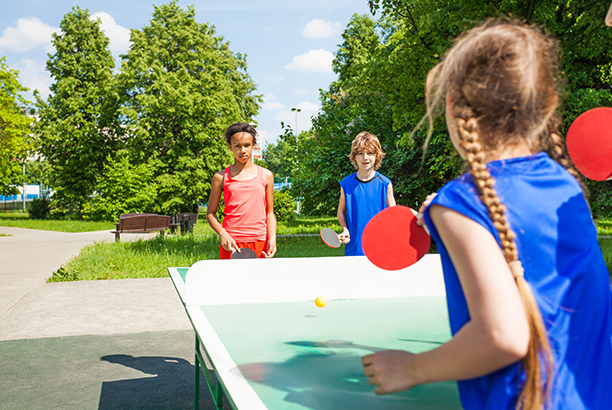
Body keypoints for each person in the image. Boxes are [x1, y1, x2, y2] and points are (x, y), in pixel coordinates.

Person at [362, 20, 612, 410]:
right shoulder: (565, 186)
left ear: (453, 107)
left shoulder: (461, 203)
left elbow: (503, 335)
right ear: (544, 108)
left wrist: (413, 368)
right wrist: (449, 217)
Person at [206, 123, 277, 259]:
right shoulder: (220, 177)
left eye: (247, 145)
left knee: (259, 280)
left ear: (253, 145)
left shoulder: (266, 175)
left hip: (259, 241)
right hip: (231, 242)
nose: (242, 150)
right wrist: (223, 234)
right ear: (230, 147)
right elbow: (210, 213)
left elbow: (270, 213)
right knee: (230, 280)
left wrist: (272, 238)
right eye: (237, 146)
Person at [337, 131, 396, 256]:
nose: (365, 157)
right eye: (360, 153)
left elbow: (394, 215)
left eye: (369, 153)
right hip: (355, 250)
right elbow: (341, 210)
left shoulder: (385, 184)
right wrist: (345, 230)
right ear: (354, 157)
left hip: (381, 251)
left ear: (377, 156)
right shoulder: (346, 184)